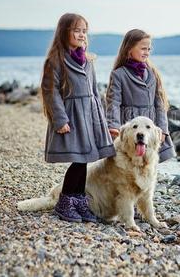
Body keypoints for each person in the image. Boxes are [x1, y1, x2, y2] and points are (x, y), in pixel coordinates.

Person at [40, 13, 115, 223]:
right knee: (79, 159)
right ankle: (65, 202)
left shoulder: (88, 60)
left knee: (86, 159)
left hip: (90, 114)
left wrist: (101, 115)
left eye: (84, 30)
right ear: (65, 32)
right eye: (76, 30)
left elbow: (94, 89)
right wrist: (60, 119)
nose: (81, 34)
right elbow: (51, 91)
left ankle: (79, 201)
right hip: (72, 116)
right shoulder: (55, 61)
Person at [105, 29, 176, 162]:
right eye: (143, 48)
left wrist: (163, 129)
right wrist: (113, 125)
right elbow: (113, 103)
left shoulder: (152, 73)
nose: (147, 52)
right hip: (131, 124)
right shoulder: (119, 74)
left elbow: (160, 104)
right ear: (129, 48)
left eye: (149, 49)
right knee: (129, 159)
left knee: (150, 159)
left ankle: (147, 182)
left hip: (150, 124)